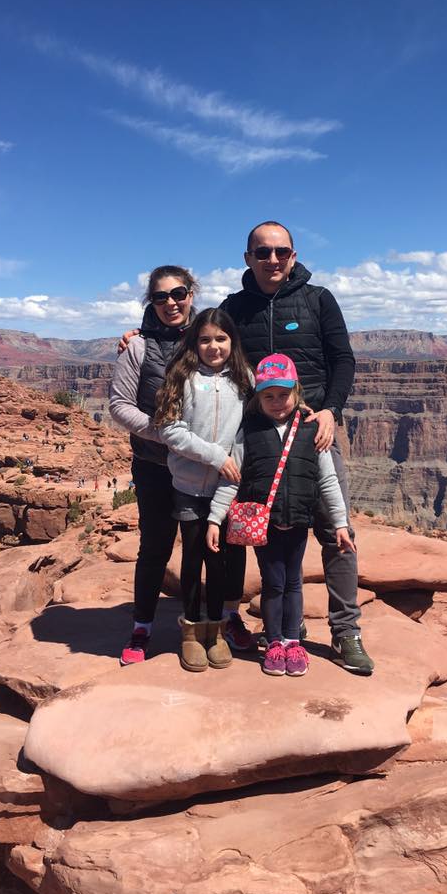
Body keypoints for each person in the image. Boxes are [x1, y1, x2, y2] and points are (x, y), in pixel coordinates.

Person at [118, 220, 372, 675]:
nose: (272, 259)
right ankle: (261, 628)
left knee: (335, 531)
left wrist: (331, 409)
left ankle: (345, 630)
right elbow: (202, 344)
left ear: (293, 255)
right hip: (250, 442)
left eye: (281, 251)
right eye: (262, 252)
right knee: (257, 538)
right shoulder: (234, 308)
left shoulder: (319, 300)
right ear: (248, 258)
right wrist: (136, 336)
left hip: (315, 432)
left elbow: (343, 360)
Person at [207, 355, 353, 678]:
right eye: (268, 395)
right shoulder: (250, 432)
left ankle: (292, 641)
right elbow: (232, 476)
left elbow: (328, 480)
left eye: (283, 394)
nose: (276, 402)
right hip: (265, 526)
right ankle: (274, 641)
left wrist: (340, 523)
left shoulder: (311, 428)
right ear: (258, 396)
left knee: (294, 582)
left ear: (296, 391)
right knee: (274, 583)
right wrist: (215, 518)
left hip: (298, 522)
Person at [108, 265, 198, 665]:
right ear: (151, 302)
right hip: (154, 464)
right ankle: (142, 626)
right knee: (155, 547)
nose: (171, 303)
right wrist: (165, 435)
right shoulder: (138, 348)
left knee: (201, 547)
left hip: (201, 467)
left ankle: (202, 626)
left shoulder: (211, 338)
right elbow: (119, 405)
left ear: (191, 294)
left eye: (178, 294)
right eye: (160, 297)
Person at [155, 308, 253, 671]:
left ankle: (217, 630)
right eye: (205, 339)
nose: (214, 346)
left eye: (221, 339)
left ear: (232, 342)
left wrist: (232, 466)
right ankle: (192, 632)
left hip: (226, 487)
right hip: (188, 486)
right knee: (193, 557)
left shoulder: (244, 380)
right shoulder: (182, 377)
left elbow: (246, 435)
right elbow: (169, 430)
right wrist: (215, 456)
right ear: (195, 342)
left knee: (221, 561)